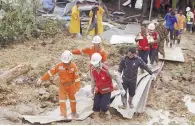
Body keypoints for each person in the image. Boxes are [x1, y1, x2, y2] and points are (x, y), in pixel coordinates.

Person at [37, 50, 81, 119]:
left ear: (70, 59)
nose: (65, 63)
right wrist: (42, 79)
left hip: (71, 85)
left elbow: (77, 78)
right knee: (62, 100)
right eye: (64, 62)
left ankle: (74, 113)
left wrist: (77, 88)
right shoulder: (59, 65)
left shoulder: (74, 66)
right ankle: (64, 115)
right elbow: (50, 72)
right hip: (62, 85)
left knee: (72, 99)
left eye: (67, 62)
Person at [90, 53, 125, 120]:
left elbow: (116, 77)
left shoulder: (106, 69)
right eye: (93, 63)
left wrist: (121, 88)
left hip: (107, 89)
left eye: (96, 63)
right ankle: (96, 116)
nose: (94, 64)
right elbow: (93, 80)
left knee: (103, 106)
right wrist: (92, 88)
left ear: (100, 61)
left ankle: (107, 113)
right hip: (98, 89)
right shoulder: (93, 69)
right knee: (96, 104)